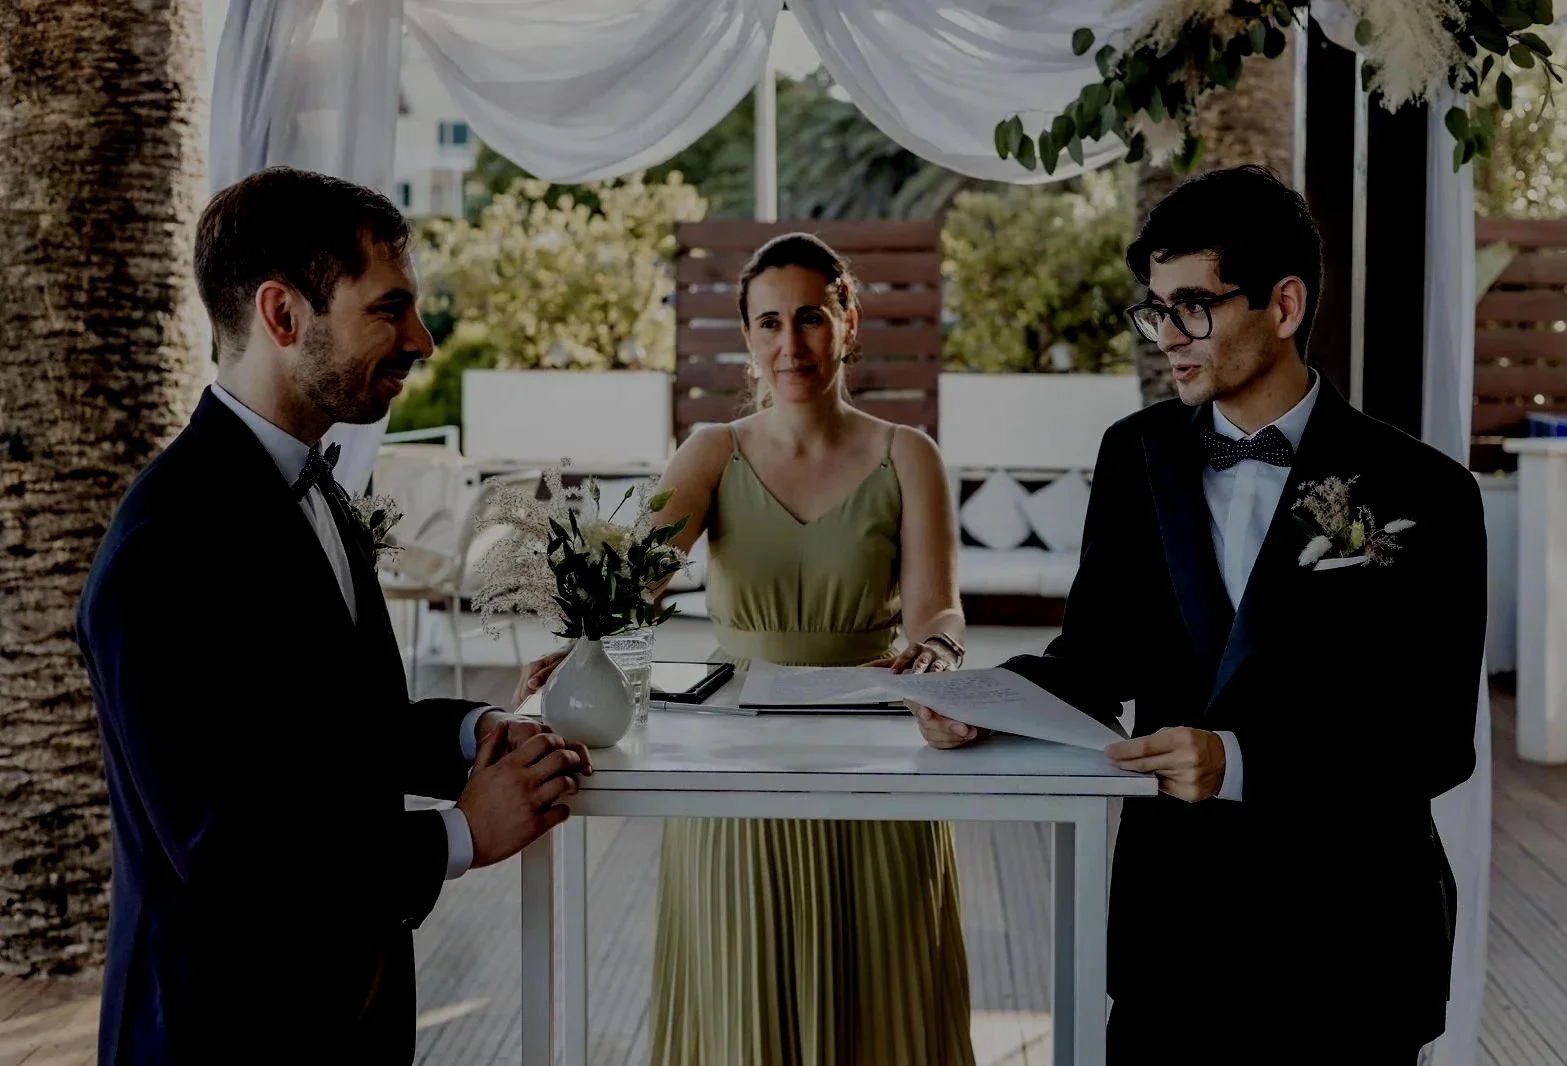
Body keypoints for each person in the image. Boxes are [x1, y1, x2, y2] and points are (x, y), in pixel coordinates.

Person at [914, 166, 1486, 1064]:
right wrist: (979, 701)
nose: (1167, 337)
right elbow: (1093, 663)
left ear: (1284, 305)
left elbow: (1436, 740)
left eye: (1193, 307)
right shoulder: (1134, 455)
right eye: (1155, 310)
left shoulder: (1427, 491)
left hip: (1355, 942)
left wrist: (1244, 763)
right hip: (1172, 933)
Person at [77, 167, 590, 1065]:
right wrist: (461, 833)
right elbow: (230, 857)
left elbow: (339, 734)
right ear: (283, 316)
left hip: (347, 1014)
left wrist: (477, 735)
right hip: (222, 1031)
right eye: (389, 310)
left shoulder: (314, 483)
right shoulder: (165, 545)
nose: (423, 340)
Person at [516, 232, 974, 1064]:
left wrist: (937, 660)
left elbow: (937, 609)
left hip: (873, 762)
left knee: (883, 1003)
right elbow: (630, 587)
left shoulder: (910, 454)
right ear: (747, 338)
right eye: (767, 324)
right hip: (733, 764)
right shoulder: (711, 452)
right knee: (741, 1000)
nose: (788, 344)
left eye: (809, 318)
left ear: (849, 320)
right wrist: (579, 644)